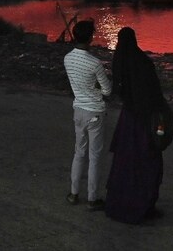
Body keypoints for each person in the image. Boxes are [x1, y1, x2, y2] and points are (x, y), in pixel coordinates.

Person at [105, 27, 166, 224]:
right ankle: (143, 205)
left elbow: (118, 90)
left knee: (125, 163)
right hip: (144, 119)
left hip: (128, 118)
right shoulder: (142, 62)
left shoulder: (120, 62)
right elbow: (154, 93)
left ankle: (122, 203)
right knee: (148, 162)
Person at [63, 19, 112, 211]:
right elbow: (107, 90)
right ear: (90, 37)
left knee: (79, 152)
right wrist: (97, 88)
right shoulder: (95, 63)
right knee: (94, 156)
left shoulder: (68, 59)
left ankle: (74, 193)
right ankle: (92, 198)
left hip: (79, 110)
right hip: (95, 112)